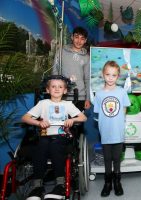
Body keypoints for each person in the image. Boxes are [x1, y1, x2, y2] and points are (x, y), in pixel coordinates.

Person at [22, 75, 87, 200]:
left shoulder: (68, 104)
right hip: (45, 135)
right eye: (53, 86)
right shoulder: (42, 104)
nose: (57, 89)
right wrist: (38, 123)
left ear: (65, 90)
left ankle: (60, 184)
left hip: (62, 135)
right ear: (47, 90)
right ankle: (37, 186)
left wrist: (72, 120)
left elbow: (83, 118)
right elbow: (25, 118)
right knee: (40, 145)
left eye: (60, 86)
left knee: (56, 144)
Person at [93, 61, 130, 197]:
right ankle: (107, 182)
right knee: (107, 158)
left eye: (114, 75)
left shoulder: (121, 92)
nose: (110, 77)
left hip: (118, 131)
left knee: (116, 157)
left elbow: (124, 108)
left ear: (118, 76)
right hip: (105, 132)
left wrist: (120, 122)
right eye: (108, 74)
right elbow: (99, 113)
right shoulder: (99, 94)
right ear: (103, 75)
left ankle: (117, 182)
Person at [52, 26, 91, 111]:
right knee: (60, 122)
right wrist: (55, 92)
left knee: (78, 123)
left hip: (80, 97)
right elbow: (55, 72)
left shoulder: (87, 57)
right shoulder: (61, 51)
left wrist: (87, 98)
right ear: (72, 37)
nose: (79, 41)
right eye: (76, 37)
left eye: (82, 38)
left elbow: (87, 79)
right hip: (62, 95)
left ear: (85, 40)